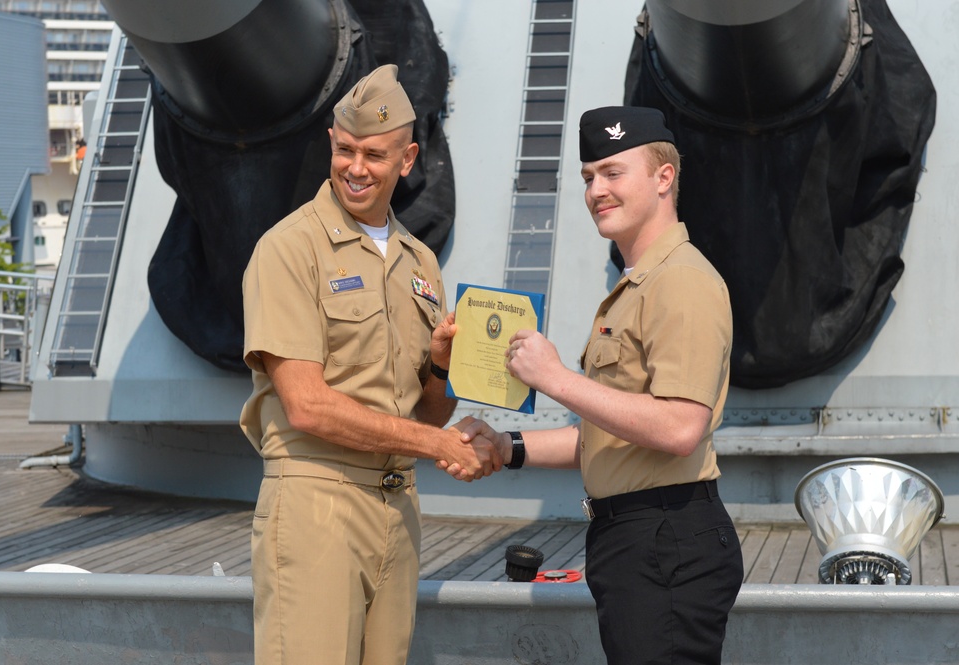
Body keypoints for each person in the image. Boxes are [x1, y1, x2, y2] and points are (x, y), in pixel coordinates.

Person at [448, 106, 744, 664]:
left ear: (663, 178)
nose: (596, 191)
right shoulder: (637, 287)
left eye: (612, 172)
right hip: (638, 542)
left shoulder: (680, 281)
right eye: (588, 178)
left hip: (665, 540)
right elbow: (605, 437)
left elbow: (681, 427)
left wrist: (556, 379)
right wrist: (506, 446)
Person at [240, 64, 501, 665]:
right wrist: (442, 448)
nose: (357, 168)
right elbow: (306, 405)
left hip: (397, 505)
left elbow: (430, 413)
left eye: (375, 155)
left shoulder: (420, 264)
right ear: (332, 144)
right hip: (316, 503)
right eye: (346, 150)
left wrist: (439, 370)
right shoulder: (288, 248)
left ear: (407, 159)